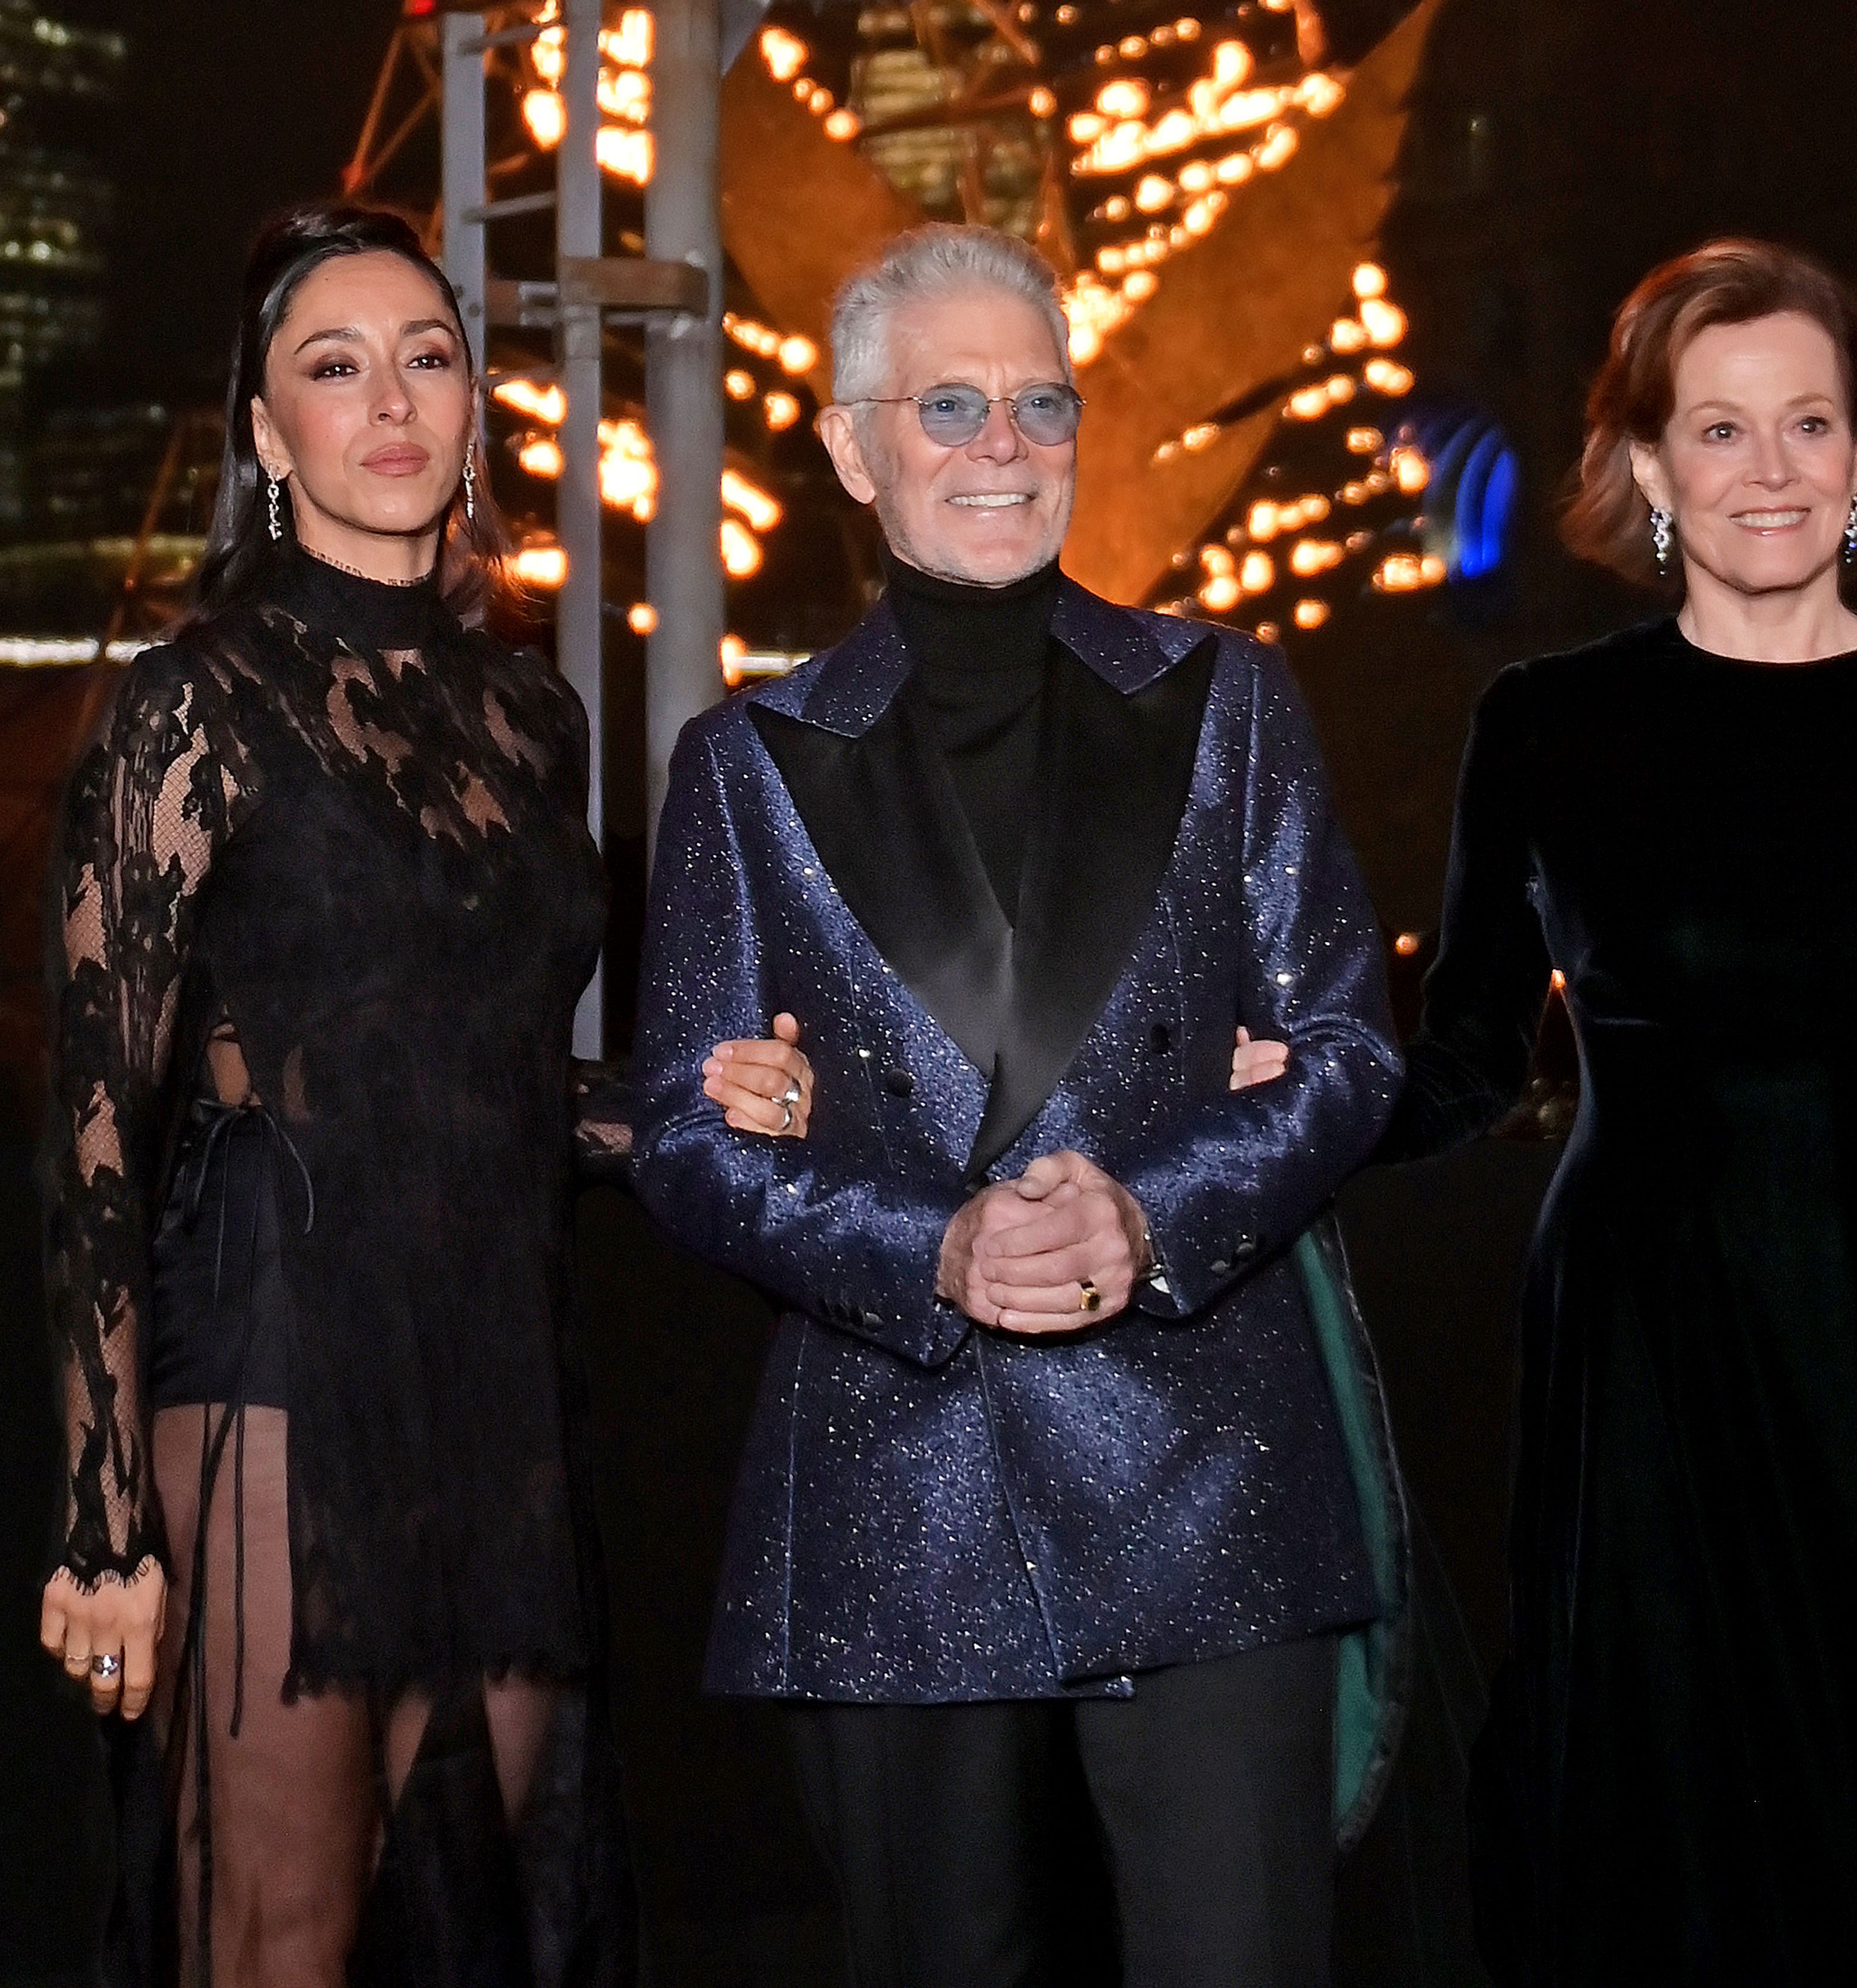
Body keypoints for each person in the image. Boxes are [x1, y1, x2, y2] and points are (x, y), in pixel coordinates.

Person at [32, 200, 812, 1986]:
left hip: (492, 1366)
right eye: (336, 366)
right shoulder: (187, 709)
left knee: (483, 1929)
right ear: (266, 432)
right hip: (278, 1352)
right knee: (281, 1935)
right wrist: (100, 1523)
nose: (390, 401)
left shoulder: (531, 721)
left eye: (428, 358)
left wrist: (700, 1103)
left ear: (471, 413)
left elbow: (500, 1082)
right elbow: (95, 1133)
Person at [625, 224, 1406, 1988]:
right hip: (902, 1484)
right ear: (855, 448)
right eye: (950, 405)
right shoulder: (747, 761)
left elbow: (1349, 1050)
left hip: (1211, 1470)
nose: (1004, 443)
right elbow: (683, 1136)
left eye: (1041, 403)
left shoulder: (1227, 698)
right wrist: (936, 1243)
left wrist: (1147, 1210)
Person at [1388, 237, 1857, 1983]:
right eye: (1719, 430)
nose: (1771, 471)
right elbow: (1467, 1063)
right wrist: (1269, 1102)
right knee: (1676, 1873)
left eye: (1809, 423)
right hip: (1660, 1383)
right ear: (1649, 467)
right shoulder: (1549, 726)